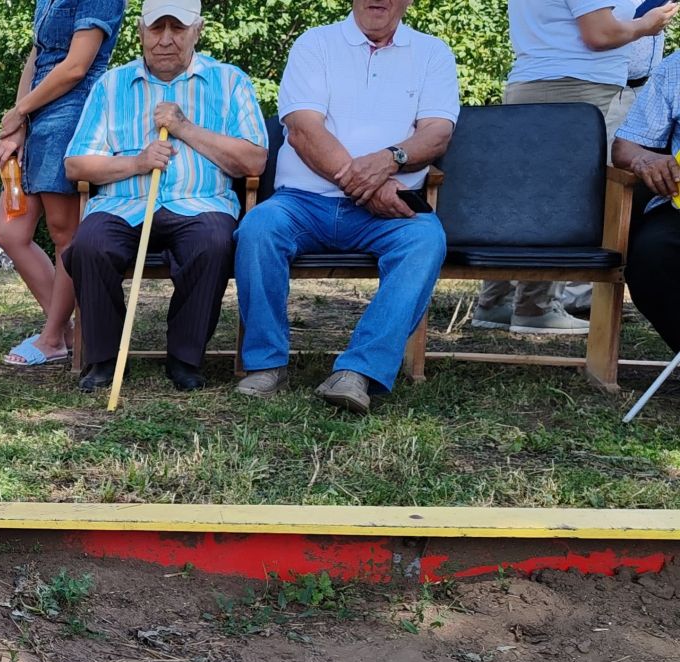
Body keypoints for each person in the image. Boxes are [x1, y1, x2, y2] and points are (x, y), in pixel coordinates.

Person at [232, 0, 460, 414]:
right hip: (303, 202)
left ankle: (359, 371)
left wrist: (390, 159)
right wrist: (367, 186)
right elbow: (302, 130)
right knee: (258, 229)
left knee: (426, 240)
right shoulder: (315, 43)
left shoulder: (433, 52)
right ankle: (267, 365)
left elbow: (438, 134)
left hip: (390, 212)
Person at [61, 0, 267, 392]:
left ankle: (185, 359)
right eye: (157, 29)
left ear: (198, 31)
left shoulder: (230, 81)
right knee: (90, 244)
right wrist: (137, 163)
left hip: (201, 203)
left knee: (212, 242)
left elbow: (254, 160)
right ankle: (103, 359)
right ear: (141, 32)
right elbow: (76, 165)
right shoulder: (112, 85)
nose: (166, 40)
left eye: (178, 29)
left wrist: (184, 127)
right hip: (123, 205)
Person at [471, 0, 677, 335]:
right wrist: (647, 25)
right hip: (576, 85)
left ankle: (496, 302)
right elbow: (599, 33)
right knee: (562, 200)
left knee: (522, 197)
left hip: (539, 78)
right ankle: (534, 308)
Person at [0, 0, 126, 367]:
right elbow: (36, 57)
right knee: (9, 231)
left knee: (64, 232)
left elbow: (76, 67)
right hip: (38, 115)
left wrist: (20, 111)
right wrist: (20, 122)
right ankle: (73, 328)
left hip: (72, 113)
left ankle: (52, 338)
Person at [615, 51, 680, 351]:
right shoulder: (675, 67)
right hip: (677, 206)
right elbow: (627, 145)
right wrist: (646, 160)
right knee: (650, 257)